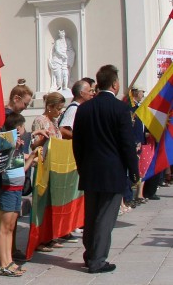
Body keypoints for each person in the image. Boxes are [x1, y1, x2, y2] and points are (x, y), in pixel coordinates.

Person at [71, 64, 138, 274]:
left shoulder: (84, 108)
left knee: (91, 216)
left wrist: (81, 166)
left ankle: (90, 253)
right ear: (115, 84)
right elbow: (127, 143)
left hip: (90, 169)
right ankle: (97, 259)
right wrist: (134, 170)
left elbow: (77, 143)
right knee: (105, 217)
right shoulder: (120, 109)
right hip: (112, 170)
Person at [0, 111, 33, 277]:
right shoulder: (5, 141)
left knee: (10, 227)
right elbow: (2, 165)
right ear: (18, 127)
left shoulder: (17, 143)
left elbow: (20, 168)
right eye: (23, 126)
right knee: (5, 227)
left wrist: (31, 158)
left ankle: (9, 260)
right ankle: (3, 263)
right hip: (8, 189)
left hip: (17, 188)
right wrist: (13, 149)